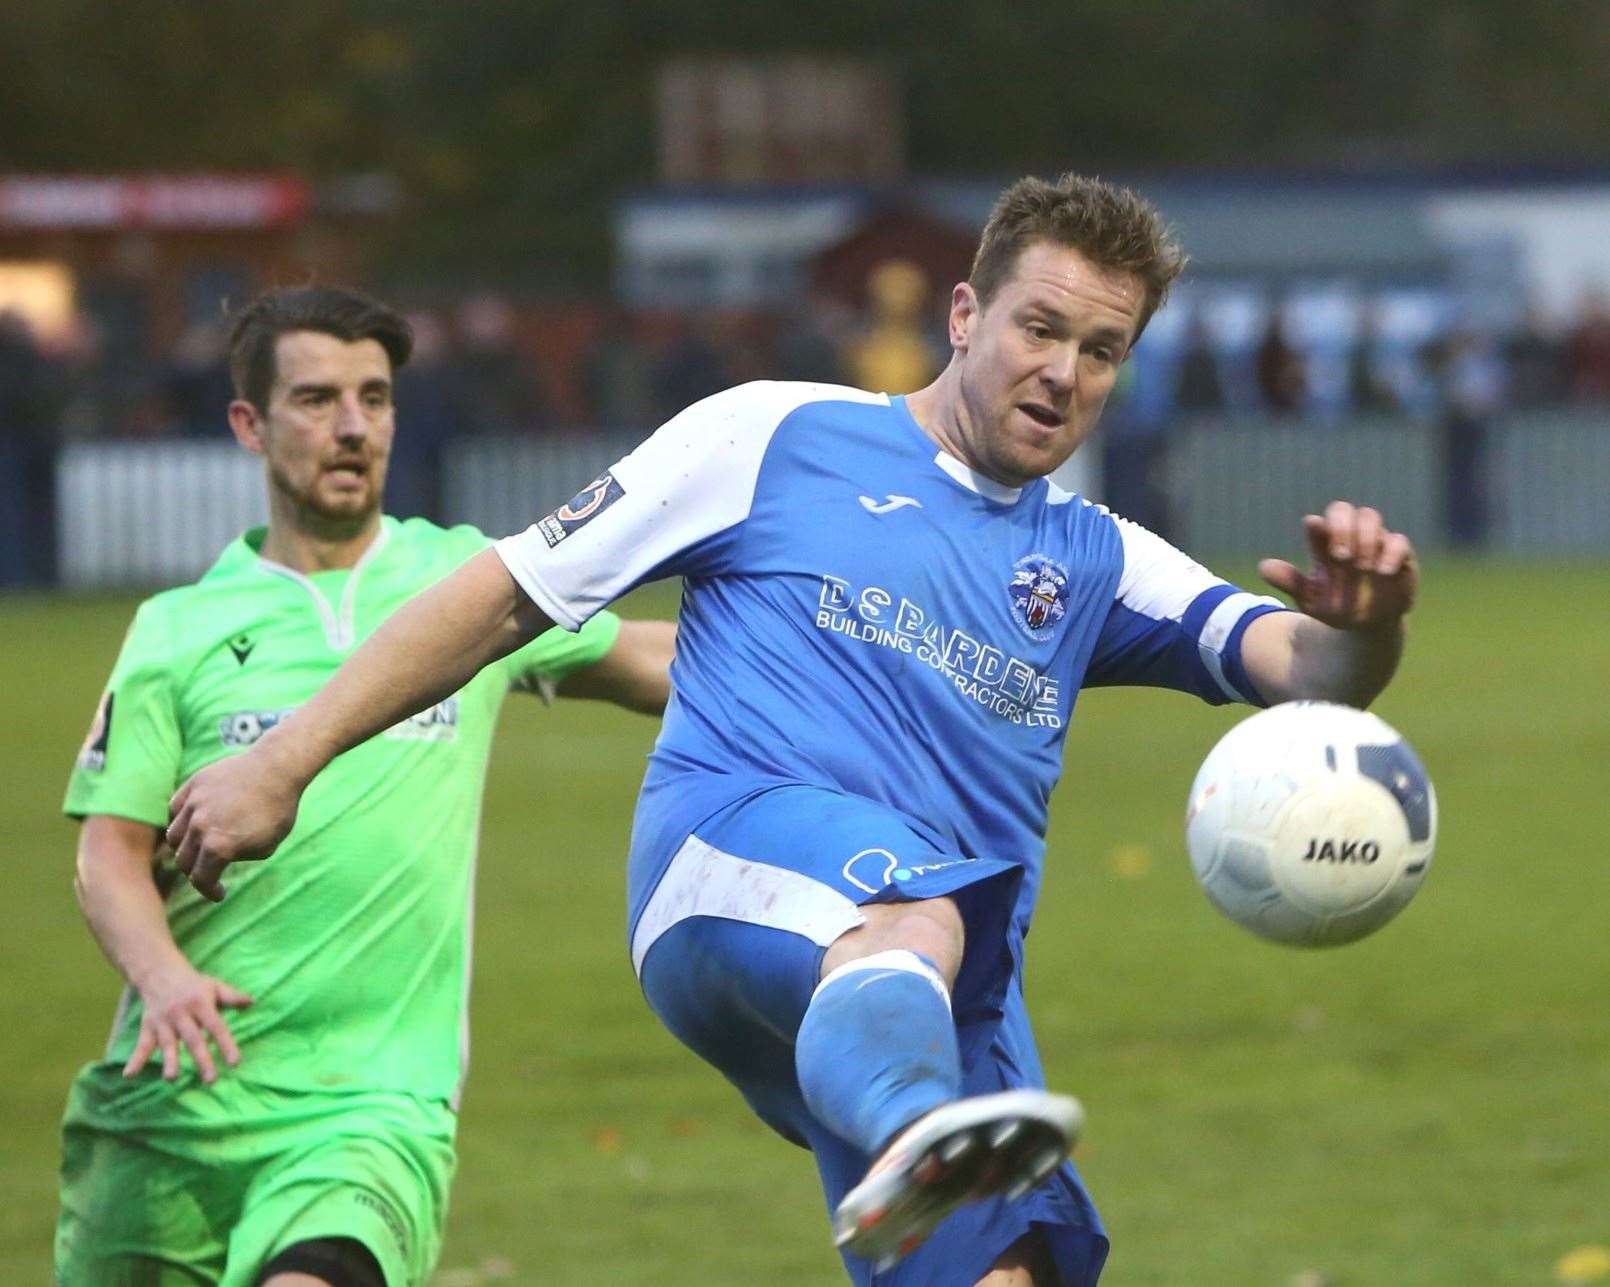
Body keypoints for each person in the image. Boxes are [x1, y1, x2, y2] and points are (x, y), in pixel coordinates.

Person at [165, 177, 1421, 1287]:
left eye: (1102, 350)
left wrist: (1368, 623)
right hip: (729, 880)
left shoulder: (1098, 560)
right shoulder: (771, 435)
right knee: (905, 925)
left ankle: (918, 1147)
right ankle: (920, 1131)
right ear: (964, 314)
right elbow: (507, 592)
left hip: (926, 991)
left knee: (1008, 1266)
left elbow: (1305, 670)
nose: (1063, 372)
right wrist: (284, 758)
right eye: (1040, 328)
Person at [58, 285, 676, 1287]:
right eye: (315, 400)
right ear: (249, 426)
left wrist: (853, 654)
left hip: (369, 1107)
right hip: (173, 1103)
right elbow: (108, 852)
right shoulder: (178, 626)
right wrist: (164, 981)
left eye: (374, 398)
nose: (352, 427)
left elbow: (651, 658)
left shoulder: (466, 587)